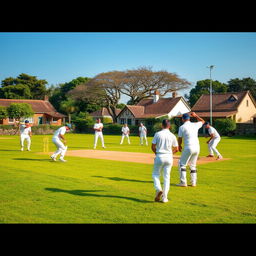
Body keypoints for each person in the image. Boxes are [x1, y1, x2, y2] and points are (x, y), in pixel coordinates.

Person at [151, 119, 179, 203]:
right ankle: (164, 198)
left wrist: (157, 153)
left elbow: (152, 146)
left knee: (155, 174)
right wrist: (170, 153)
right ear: (169, 126)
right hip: (169, 157)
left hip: (160, 156)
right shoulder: (172, 135)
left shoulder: (157, 134)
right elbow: (177, 149)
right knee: (167, 177)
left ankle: (158, 189)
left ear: (162, 125)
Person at [177, 112, 205, 187]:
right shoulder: (195, 124)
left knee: (182, 164)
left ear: (183, 119)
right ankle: (193, 183)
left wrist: (179, 146)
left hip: (188, 147)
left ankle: (183, 182)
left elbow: (179, 138)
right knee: (193, 165)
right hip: (197, 147)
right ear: (189, 118)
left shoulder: (182, 127)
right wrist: (196, 116)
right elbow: (203, 121)